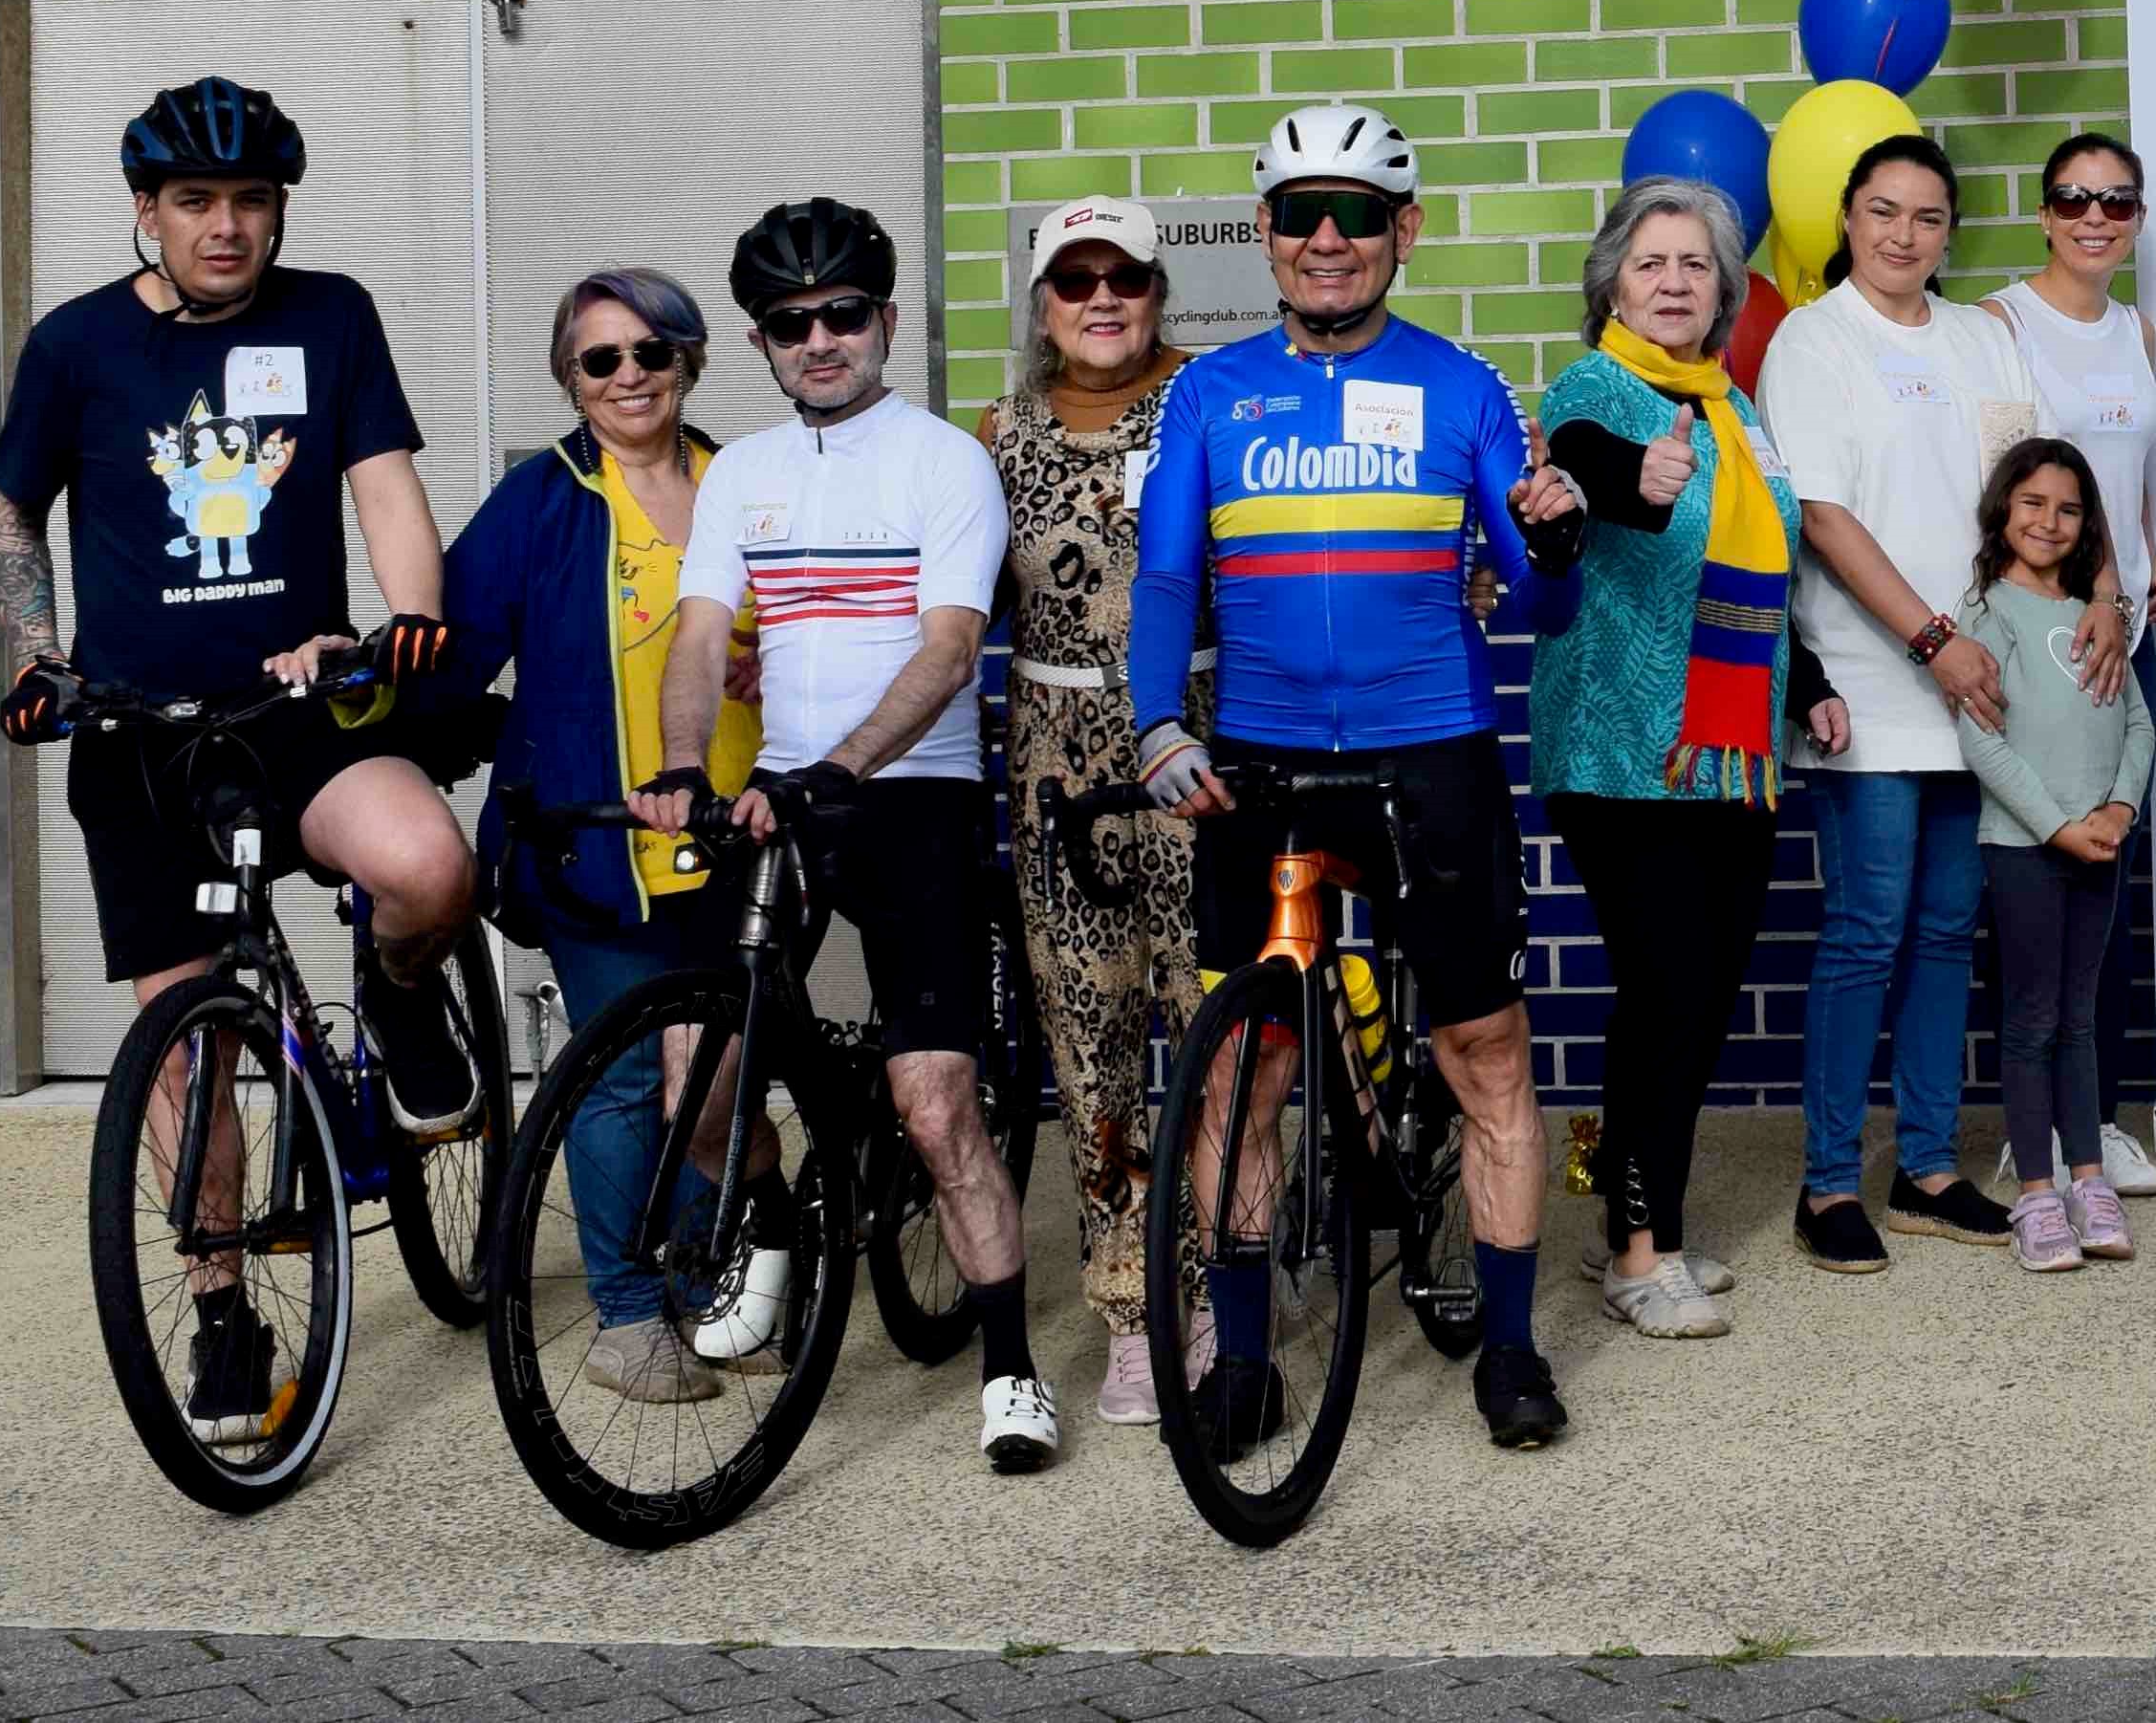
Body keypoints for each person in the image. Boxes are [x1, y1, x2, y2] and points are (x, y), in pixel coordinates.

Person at [0, 76, 478, 1448]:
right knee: (184, 1048)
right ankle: (218, 1305)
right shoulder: (78, 343)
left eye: (250, 200)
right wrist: (35, 656)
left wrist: (408, 617)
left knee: (429, 866)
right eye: (196, 201)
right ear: (146, 212)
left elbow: (380, 479)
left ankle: (403, 998)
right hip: (139, 733)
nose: (226, 225)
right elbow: (12, 507)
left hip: (298, 713)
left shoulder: (330, 315)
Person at [1125, 103, 1590, 1451]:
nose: (1327, 239)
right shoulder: (1206, 394)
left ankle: (1507, 1345)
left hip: (1429, 748)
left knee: (1480, 1046)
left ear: (1405, 231)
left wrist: (1557, 546)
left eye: (1358, 213)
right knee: (1245, 1070)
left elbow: (1545, 611)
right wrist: (1161, 726)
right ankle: (1246, 1360)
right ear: (1262, 235)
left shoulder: (1466, 388)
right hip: (1259, 762)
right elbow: (1167, 578)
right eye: (1298, 213)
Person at [629, 198, 1043, 1472]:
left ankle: (1012, 1363)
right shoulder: (741, 473)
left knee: (934, 1102)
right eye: (791, 322)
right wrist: (684, 762)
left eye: (843, 314)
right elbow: (701, 637)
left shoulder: (943, 461)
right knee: (693, 1069)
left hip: (908, 789)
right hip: (783, 798)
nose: (821, 338)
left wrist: (842, 766)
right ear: (759, 341)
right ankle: (768, 1216)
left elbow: (950, 645)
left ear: (887, 321)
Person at [1761, 130, 2116, 1273]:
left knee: (1943, 938)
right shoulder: (1813, 345)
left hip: (1986, 690)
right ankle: (1826, 1184)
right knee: (1864, 932)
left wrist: (2091, 595)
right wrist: (1932, 639)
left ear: (1948, 231)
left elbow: (2028, 493)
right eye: (1881, 212)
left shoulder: (1979, 342)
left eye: (1925, 217)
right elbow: (1823, 518)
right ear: (1846, 221)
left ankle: (1922, 1166)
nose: (1901, 235)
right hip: (1876, 685)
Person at [1531, 175, 1849, 1341]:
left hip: (1734, 753)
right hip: (1623, 750)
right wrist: (1632, 481)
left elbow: (1757, 573)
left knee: (1702, 996)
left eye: (1695, 266)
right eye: (1651, 262)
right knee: (1664, 994)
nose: (1672, 282)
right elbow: (1582, 464)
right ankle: (1632, 1253)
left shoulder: (1733, 409)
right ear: (1613, 277)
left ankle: (1645, 1219)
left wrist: (1805, 687)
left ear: (1724, 293)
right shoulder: (1592, 388)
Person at [439, 268, 763, 1406]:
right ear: (568, 380)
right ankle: (629, 1316)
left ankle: (709, 1276)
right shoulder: (541, 501)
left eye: (650, 353)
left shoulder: (746, 482)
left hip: (744, 835)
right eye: (600, 360)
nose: (629, 376)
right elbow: (452, 650)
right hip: (598, 840)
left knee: (721, 1074)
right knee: (626, 1076)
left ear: (687, 360)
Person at [982, 194, 1205, 1427]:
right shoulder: (1000, 428)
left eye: (1126, 274)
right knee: (1092, 1039)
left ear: (1159, 290)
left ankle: (1226, 1271)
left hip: (1200, 739)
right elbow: (958, 603)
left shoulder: (1212, 404)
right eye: (1075, 280)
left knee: (1222, 1025)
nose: (1103, 297)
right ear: (1044, 303)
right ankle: (1132, 1311)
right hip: (1058, 760)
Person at [1987, 130, 2156, 1201]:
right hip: (2047, 641)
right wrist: (2094, 592)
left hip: (2126, 632)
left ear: (2137, 218)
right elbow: (2016, 495)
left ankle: (2093, 1127)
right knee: (2032, 883)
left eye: (2115, 201)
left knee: (2106, 872)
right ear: (2043, 212)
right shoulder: (1999, 327)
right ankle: (2035, 1133)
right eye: (2072, 199)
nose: (2093, 217)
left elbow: (2121, 477)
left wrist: (2151, 567)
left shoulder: (2136, 330)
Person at [1953, 438, 2156, 1274]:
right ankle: (2036, 1193)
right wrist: (2055, 826)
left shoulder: (2096, 616)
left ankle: (2088, 1178)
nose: (2050, 520)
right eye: (2033, 502)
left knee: (2080, 1018)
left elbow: (2136, 722)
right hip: (2027, 848)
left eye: (2069, 509)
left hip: (2101, 841)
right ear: (2004, 509)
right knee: (2032, 1018)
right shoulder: (1989, 614)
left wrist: (2117, 806)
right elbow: (1982, 741)